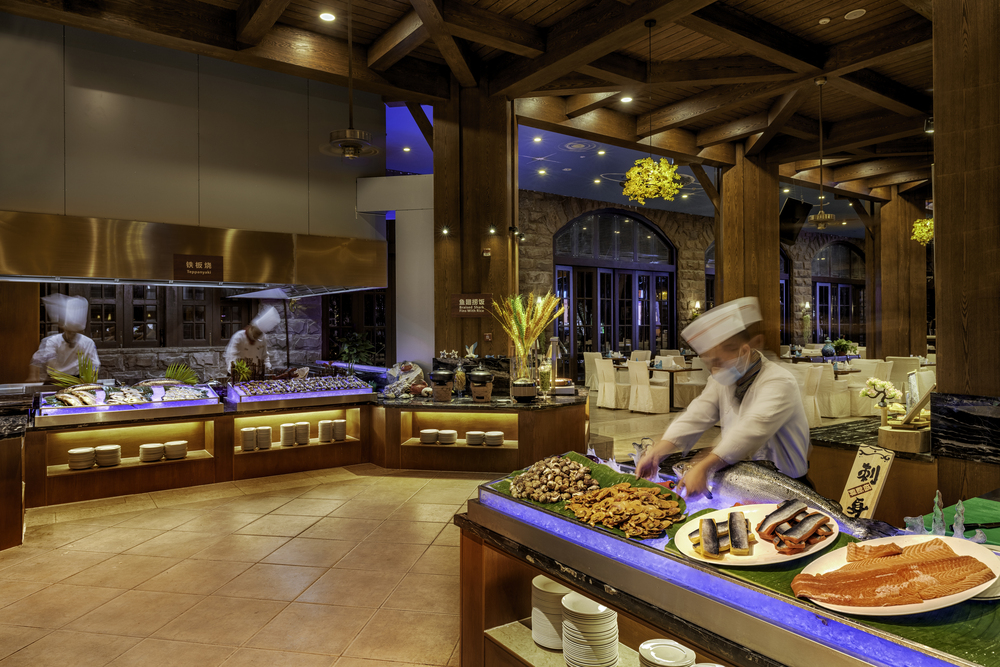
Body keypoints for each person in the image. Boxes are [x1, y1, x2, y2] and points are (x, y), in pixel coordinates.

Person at [635, 297, 811, 498]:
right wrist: (657, 453)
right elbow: (695, 416)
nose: (714, 369)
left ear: (744, 351)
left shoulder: (780, 381)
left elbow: (749, 430)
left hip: (789, 487)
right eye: (710, 362)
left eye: (718, 360)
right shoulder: (721, 380)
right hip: (742, 485)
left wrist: (704, 466)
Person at [29, 294, 100, 380]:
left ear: (81, 332)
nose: (72, 336)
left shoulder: (88, 343)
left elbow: (95, 364)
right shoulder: (53, 341)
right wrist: (33, 376)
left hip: (78, 379)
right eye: (70, 332)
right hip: (55, 378)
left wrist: (90, 379)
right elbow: (51, 362)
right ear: (64, 329)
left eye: (75, 333)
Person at [224, 305, 280, 373]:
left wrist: (268, 368)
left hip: (256, 373)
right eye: (256, 332)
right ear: (252, 328)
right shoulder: (239, 337)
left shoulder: (262, 338)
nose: (257, 335)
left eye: (259, 334)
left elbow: (265, 356)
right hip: (241, 373)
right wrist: (235, 370)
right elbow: (231, 356)